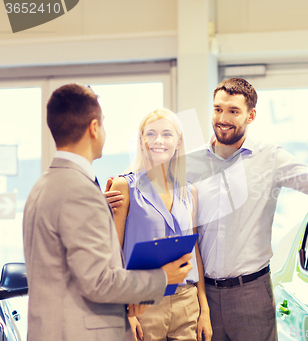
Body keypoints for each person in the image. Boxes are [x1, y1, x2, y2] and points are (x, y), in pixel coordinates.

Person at [107, 78, 308, 341]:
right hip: (201, 297)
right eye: (217, 110)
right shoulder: (189, 163)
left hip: (251, 294)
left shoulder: (271, 158)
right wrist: (111, 197)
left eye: (233, 111)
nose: (223, 118)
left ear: (251, 116)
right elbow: (150, 182)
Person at [23, 84, 193, 341]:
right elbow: (98, 281)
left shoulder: (45, 185)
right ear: (94, 128)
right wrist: (162, 278)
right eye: (103, 124)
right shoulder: (79, 192)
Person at [107, 108, 212, 341]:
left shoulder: (189, 191)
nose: (158, 140)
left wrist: (204, 309)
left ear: (178, 141)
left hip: (187, 302)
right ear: (142, 141)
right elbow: (113, 254)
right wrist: (126, 311)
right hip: (143, 304)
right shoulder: (123, 187)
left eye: (166, 134)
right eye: (151, 134)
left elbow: (195, 252)